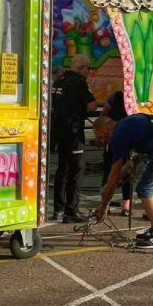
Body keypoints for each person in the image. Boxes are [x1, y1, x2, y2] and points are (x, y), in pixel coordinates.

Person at [93, 113, 153, 248]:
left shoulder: (117, 136)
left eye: (99, 135)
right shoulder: (127, 121)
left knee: (144, 188)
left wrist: (104, 205)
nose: (100, 140)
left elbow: (114, 175)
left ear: (106, 127)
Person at [51, 55, 96, 223]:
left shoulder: (59, 81)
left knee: (62, 168)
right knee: (77, 169)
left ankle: (58, 209)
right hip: (73, 131)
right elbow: (91, 105)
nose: (90, 72)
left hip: (58, 130)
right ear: (81, 68)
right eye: (89, 68)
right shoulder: (78, 82)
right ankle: (72, 211)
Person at [98, 90, 132, 215]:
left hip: (129, 139)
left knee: (127, 171)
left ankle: (126, 204)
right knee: (109, 170)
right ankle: (106, 203)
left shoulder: (138, 98)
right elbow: (104, 114)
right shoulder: (116, 96)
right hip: (113, 136)